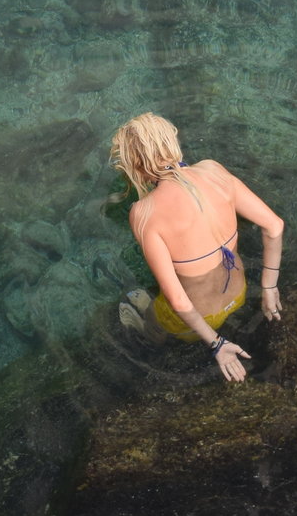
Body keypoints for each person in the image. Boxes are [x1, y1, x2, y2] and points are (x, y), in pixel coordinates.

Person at [111, 112, 283, 382]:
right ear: (172, 144)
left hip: (197, 318)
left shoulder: (144, 212)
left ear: (135, 165)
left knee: (154, 327)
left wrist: (217, 344)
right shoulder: (213, 170)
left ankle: (146, 326)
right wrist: (269, 286)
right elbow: (274, 227)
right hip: (238, 293)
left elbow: (179, 301)